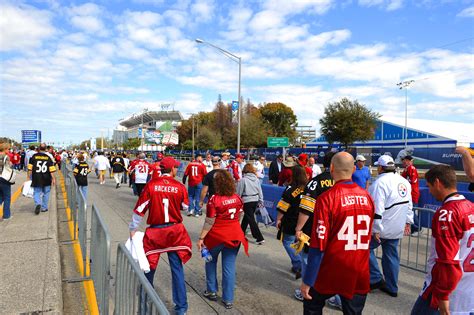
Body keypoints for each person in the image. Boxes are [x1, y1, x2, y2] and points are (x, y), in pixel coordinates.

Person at [300, 152, 375, 315]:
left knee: (311, 305)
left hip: (332, 267)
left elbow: (318, 243)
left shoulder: (327, 198)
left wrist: (308, 280)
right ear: (354, 169)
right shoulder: (367, 197)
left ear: (332, 168)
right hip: (359, 268)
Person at [129, 156, 192, 315]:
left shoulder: (151, 185)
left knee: (148, 269)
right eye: (176, 168)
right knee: (177, 269)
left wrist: (133, 227)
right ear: (172, 169)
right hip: (174, 231)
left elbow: (140, 208)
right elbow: (185, 207)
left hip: (156, 231)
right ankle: (181, 308)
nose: (177, 170)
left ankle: (144, 307)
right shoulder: (179, 186)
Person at [411, 165, 474, 315]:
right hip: (468, 287)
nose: (430, 191)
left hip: (446, 289)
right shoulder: (471, 207)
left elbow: (447, 260)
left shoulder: (447, 213)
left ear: (438, 183)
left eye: (429, 186)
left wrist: (443, 295)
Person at [196, 170, 249, 309]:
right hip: (234, 235)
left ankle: (212, 290)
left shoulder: (214, 199)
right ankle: (228, 299)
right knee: (229, 266)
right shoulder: (237, 198)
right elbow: (239, 215)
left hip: (217, 236)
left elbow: (209, 221)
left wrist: (201, 237)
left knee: (210, 261)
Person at [368, 155, 413, 297]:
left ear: (381, 167)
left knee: (364, 250)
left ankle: (375, 278)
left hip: (381, 227)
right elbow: (409, 205)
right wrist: (408, 222)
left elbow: (377, 208)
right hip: (397, 226)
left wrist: (375, 228)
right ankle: (392, 287)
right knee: (391, 256)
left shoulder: (379, 183)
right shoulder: (404, 182)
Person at [294, 151, 335, 302]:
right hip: (338, 231)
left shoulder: (315, 182)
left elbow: (306, 208)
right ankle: (335, 296)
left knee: (308, 260)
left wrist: (298, 229)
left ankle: (307, 290)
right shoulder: (347, 184)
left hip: (315, 230)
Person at [276, 165, 307, 280]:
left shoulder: (290, 189)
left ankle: (299, 264)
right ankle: (297, 265)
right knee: (300, 243)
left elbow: (283, 207)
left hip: (291, 220)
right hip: (305, 220)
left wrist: (278, 219)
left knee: (287, 242)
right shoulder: (308, 187)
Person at [237, 163, 265, 245]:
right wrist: (261, 200)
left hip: (247, 200)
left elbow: (239, 192)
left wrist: (237, 202)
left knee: (251, 219)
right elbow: (260, 190)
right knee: (247, 218)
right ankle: (241, 233)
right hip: (255, 200)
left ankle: (259, 237)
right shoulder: (256, 179)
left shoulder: (243, 180)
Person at [28, 143, 56, 215]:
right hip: (46, 177)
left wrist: (28, 177)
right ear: (46, 149)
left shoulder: (34, 156)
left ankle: (38, 203)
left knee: (37, 192)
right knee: (46, 193)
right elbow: (51, 170)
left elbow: (30, 168)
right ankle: (44, 207)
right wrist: (53, 179)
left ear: (39, 149)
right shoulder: (48, 157)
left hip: (36, 177)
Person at [401, 155, 422, 235]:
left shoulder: (411, 168)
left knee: (412, 211)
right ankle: (413, 228)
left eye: (405, 160)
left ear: (409, 161)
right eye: (403, 160)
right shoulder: (407, 169)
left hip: (412, 194)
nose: (403, 161)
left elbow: (411, 181)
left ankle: (418, 228)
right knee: (409, 211)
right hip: (408, 194)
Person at [0, 143, 13, 220]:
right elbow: (8, 167)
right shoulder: (5, 157)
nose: (9, 150)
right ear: (4, 149)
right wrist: (10, 164)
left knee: (0, 196)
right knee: (7, 197)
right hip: (4, 179)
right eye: (8, 149)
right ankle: (6, 215)